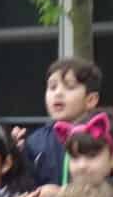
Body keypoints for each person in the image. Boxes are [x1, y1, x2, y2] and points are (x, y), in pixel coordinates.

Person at [22, 57, 101, 187]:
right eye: (52, 87)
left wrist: (61, 194)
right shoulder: (35, 141)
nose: (58, 93)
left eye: (69, 87)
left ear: (91, 100)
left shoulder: (103, 136)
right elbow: (25, 185)